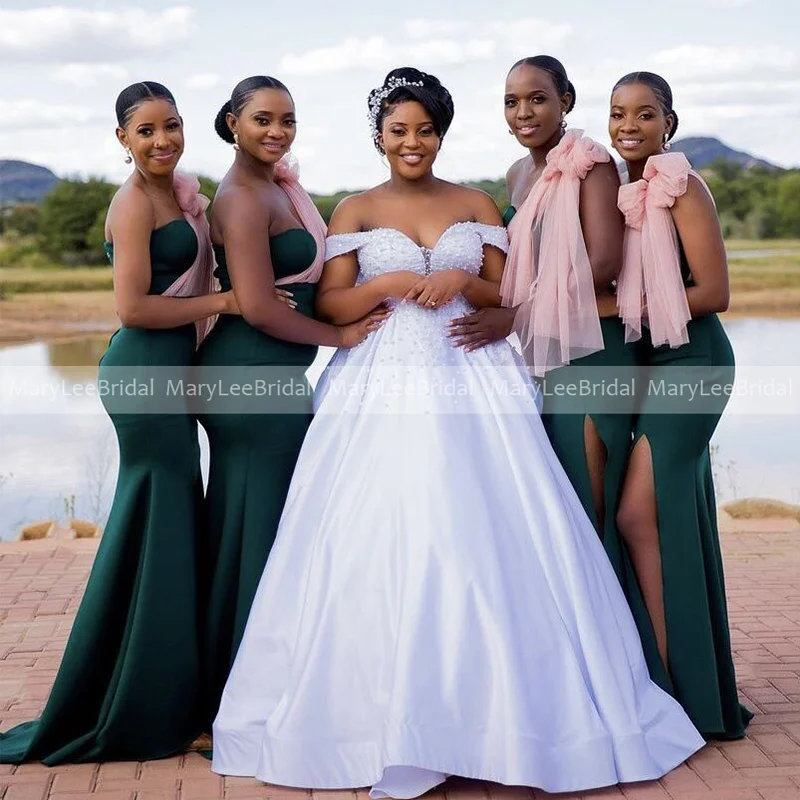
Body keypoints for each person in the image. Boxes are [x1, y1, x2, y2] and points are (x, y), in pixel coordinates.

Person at [209, 67, 704, 798]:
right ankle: (384, 721)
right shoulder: (351, 208)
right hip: (381, 382)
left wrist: (461, 286)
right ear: (378, 135)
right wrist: (387, 286)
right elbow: (334, 298)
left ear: (442, 133)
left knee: (494, 532)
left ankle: (504, 719)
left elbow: (511, 290)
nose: (414, 142)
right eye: (400, 130)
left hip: (474, 371)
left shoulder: (475, 201)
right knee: (376, 534)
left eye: (427, 129)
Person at [0, 81, 235, 764]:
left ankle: (168, 690)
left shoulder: (180, 192)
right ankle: (137, 700)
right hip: (141, 372)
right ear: (122, 140)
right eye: (147, 131)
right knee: (157, 516)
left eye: (173, 126)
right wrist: (229, 300)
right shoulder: (131, 203)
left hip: (171, 371)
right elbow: (133, 308)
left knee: (164, 521)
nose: (162, 140)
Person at [194, 76, 387, 726]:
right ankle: (246, 698)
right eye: (262, 120)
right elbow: (257, 308)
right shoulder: (242, 197)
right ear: (232, 122)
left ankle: (246, 682)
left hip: (272, 380)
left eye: (287, 120)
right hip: (249, 378)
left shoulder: (277, 184)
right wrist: (340, 335)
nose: (277, 132)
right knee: (261, 534)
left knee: (262, 530)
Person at [608, 71, 752, 739]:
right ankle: (687, 681)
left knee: (639, 515)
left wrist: (609, 308)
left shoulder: (681, 185)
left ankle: (676, 689)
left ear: (669, 120)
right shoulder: (620, 189)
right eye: (617, 114)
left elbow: (714, 291)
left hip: (694, 364)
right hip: (649, 366)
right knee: (666, 517)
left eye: (644, 114)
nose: (629, 125)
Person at [449, 56, 632, 541]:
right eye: (511, 102)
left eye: (537, 99)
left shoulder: (590, 163)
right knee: (556, 504)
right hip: (543, 351)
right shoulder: (516, 173)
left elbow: (603, 265)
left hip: (592, 349)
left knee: (589, 502)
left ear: (565, 102)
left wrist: (515, 317)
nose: (523, 112)